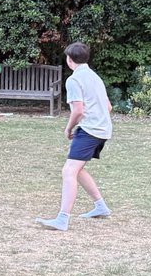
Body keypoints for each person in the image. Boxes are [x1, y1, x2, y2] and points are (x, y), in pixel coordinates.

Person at [35, 42, 113, 231]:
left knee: (68, 171)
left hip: (90, 130)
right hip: (102, 129)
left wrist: (69, 128)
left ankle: (62, 219)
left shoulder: (74, 80)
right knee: (77, 169)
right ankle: (100, 206)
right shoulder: (94, 77)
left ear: (70, 60)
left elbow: (78, 110)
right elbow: (108, 107)